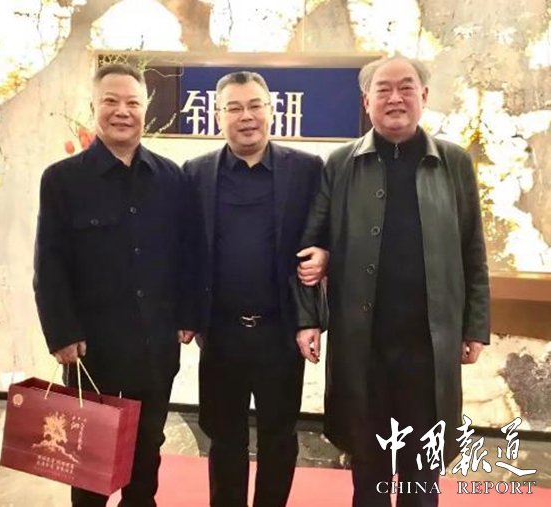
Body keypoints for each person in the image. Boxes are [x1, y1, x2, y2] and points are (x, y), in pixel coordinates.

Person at [295, 56, 490, 507]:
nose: (395, 98)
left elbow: (472, 251)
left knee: (423, 471)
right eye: (383, 89)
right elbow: (311, 246)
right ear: (366, 101)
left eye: (406, 87)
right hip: (364, 345)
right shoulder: (342, 163)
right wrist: (308, 319)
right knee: (369, 468)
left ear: (424, 96)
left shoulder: (453, 163)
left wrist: (475, 326)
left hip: (429, 347)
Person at [33, 63, 194, 507]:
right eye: (111, 101)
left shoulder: (171, 178)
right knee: (88, 456)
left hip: (155, 345)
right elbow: (50, 263)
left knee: (148, 451)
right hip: (92, 351)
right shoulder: (62, 180)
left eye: (132, 103)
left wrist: (188, 316)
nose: (122, 111)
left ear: (145, 109)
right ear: (94, 107)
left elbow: (187, 254)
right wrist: (61, 333)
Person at [181, 71, 326, 507]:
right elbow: (183, 247)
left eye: (254, 106)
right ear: (218, 116)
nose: (246, 117)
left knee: (279, 437)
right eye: (234, 108)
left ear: (271, 110)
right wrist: (186, 314)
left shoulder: (306, 170)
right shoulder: (196, 173)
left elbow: (327, 232)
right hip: (221, 332)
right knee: (223, 436)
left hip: (280, 331)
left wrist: (326, 255)